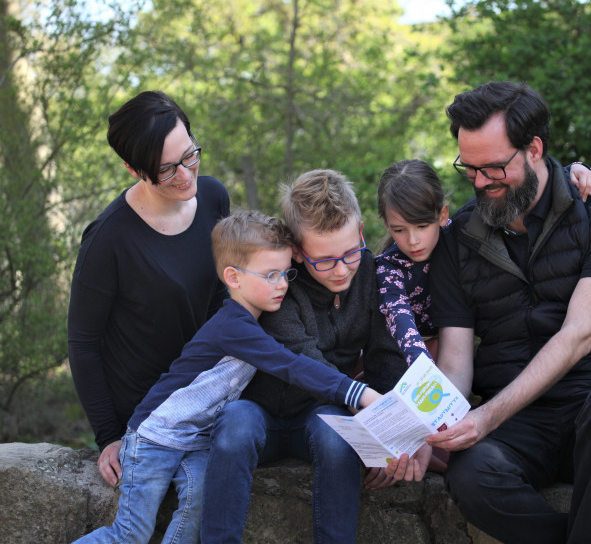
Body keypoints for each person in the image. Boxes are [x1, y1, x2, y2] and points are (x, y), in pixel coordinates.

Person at [387, 81, 591, 544]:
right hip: (520, 428)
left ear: (534, 148)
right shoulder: (457, 240)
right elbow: (455, 362)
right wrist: (423, 431)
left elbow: (579, 334)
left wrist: (486, 418)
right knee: (470, 474)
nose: (479, 182)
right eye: (468, 169)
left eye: (493, 167)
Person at [75, 210, 381, 543]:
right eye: (271, 275)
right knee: (130, 534)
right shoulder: (234, 326)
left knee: (192, 516)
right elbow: (290, 364)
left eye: (285, 274)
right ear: (233, 278)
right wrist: (358, 393)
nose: (282, 284)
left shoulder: (249, 320)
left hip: (194, 442)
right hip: (155, 437)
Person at [201, 170, 409, 543]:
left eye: (349, 253)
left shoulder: (372, 274)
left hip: (318, 413)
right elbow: (304, 359)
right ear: (298, 251)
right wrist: (362, 402)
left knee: (336, 434)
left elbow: (385, 355)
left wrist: (388, 434)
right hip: (258, 408)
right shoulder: (280, 283)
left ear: (361, 231)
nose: (342, 269)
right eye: (325, 260)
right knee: (234, 425)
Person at [374, 158, 591, 474]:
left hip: (453, 357)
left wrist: (572, 171)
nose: (413, 241)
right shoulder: (388, 270)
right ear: (386, 225)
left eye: (421, 226)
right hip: (406, 363)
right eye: (399, 230)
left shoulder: (461, 237)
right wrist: (423, 414)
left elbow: (525, 179)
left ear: (442, 216)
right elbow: (408, 338)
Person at [67, 90, 230, 490]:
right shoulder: (108, 239)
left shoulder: (213, 197)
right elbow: (83, 344)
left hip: (204, 394)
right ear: (132, 168)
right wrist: (108, 436)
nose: (186, 175)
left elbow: (222, 298)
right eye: (166, 169)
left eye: (190, 155)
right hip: (147, 413)